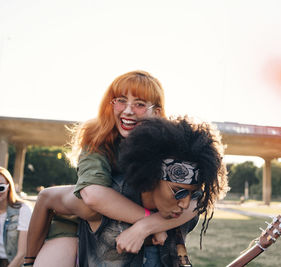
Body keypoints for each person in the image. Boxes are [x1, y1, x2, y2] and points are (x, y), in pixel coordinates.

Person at [25, 70, 203, 266]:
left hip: (126, 221)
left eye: (140, 104)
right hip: (83, 216)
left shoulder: (171, 143)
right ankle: (27, 260)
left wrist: (146, 226)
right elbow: (93, 195)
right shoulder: (98, 135)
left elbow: (196, 199)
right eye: (120, 100)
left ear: (157, 112)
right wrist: (150, 222)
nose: (128, 111)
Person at [0, 167, 32, 267]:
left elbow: (22, 254)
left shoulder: (23, 209)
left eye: (1, 188)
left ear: (9, 187)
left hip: (12, 263)